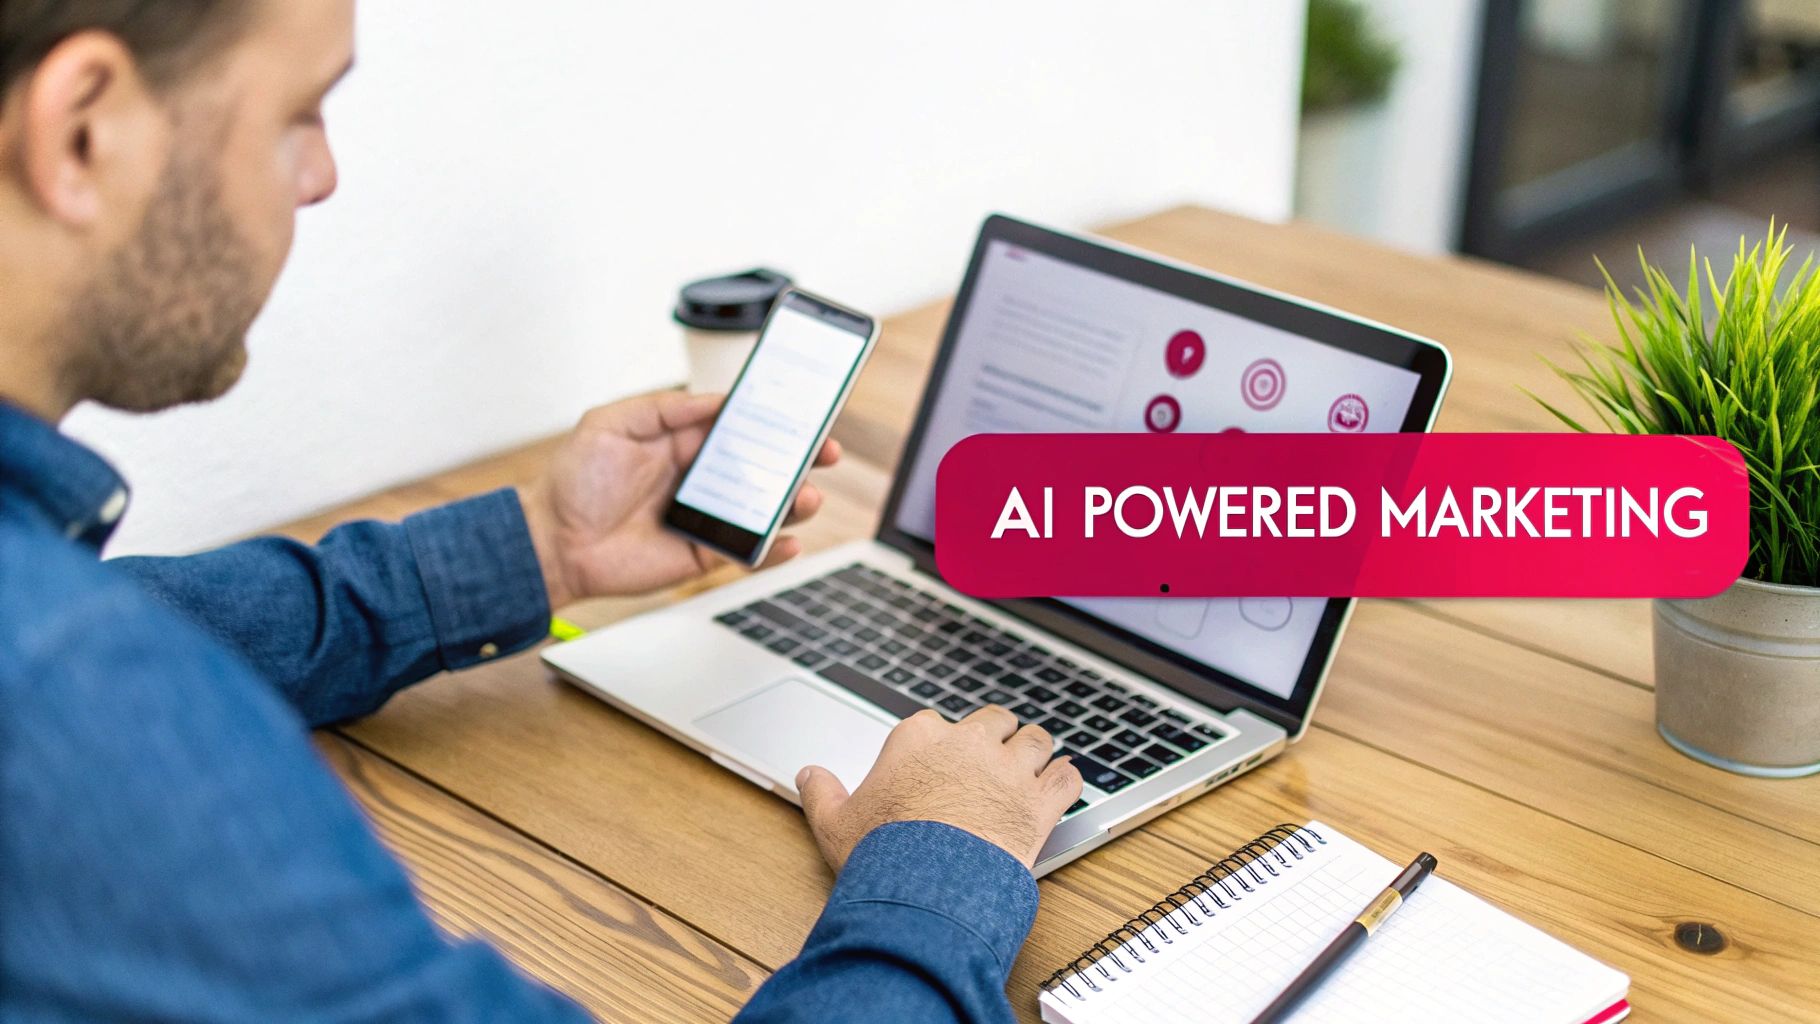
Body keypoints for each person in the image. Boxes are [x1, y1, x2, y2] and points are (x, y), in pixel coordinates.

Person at [0, 2, 1084, 1022]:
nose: (322, 176)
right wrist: (940, 872)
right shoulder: (70, 700)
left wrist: (536, 550)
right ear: (83, 129)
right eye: (299, 113)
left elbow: (135, 616)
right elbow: (84, 666)